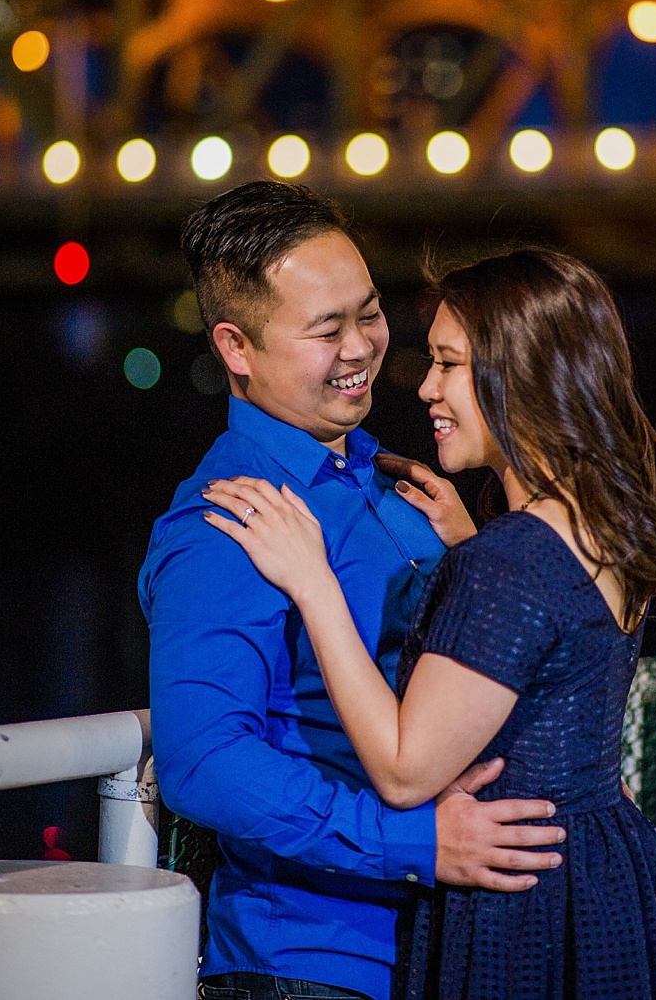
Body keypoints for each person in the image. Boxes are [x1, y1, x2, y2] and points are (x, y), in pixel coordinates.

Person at [203, 248, 656, 1000]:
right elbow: (555, 654)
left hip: (523, 910)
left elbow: (406, 770)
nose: (427, 386)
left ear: (523, 374)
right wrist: (470, 549)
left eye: (449, 364)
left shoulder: (511, 561)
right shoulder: (597, 527)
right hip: (609, 882)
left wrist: (313, 582)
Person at [139, 184, 565, 1000]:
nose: (362, 347)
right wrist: (415, 842)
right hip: (311, 962)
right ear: (236, 347)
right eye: (324, 329)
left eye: (367, 314)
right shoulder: (227, 520)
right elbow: (206, 763)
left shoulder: (393, 486)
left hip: (449, 940)